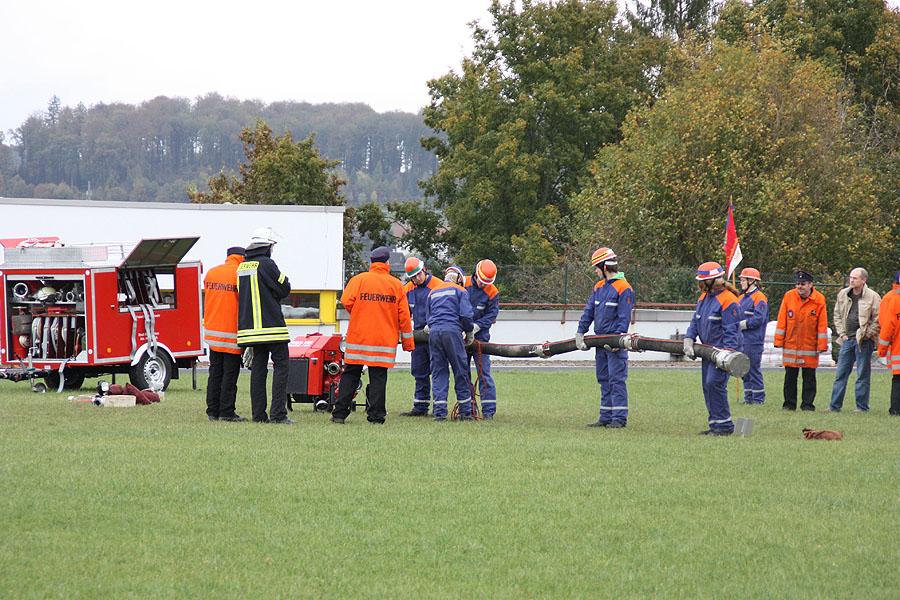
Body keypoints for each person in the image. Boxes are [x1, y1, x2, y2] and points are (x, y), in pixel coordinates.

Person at [331, 246, 415, 424]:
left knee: (350, 375)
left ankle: (339, 414)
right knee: (378, 377)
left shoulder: (358, 280)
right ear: (387, 263)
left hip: (358, 338)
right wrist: (408, 344)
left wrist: (361, 312)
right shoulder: (396, 285)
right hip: (383, 341)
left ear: (371, 262)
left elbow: (346, 301)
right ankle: (376, 416)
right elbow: (404, 317)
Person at [237, 227, 293, 424]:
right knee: (281, 367)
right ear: (267, 246)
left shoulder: (242, 267)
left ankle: (258, 416)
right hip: (271, 328)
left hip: (250, 330)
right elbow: (284, 287)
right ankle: (278, 414)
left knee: (258, 371)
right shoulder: (268, 264)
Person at [575, 247, 634, 428]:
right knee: (603, 378)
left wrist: (616, 341)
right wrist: (580, 332)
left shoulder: (624, 288)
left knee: (616, 379)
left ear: (604, 267)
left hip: (614, 345)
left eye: (596, 267)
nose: (595, 271)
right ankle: (605, 417)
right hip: (600, 342)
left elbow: (624, 318)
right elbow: (589, 311)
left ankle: (619, 418)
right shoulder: (598, 287)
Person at [683, 261, 741, 435]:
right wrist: (689, 338)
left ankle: (724, 426)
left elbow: (732, 330)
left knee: (714, 384)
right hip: (707, 351)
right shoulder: (704, 297)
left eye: (702, 280)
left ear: (712, 280)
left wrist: (728, 355)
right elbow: (696, 320)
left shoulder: (729, 300)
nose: (699, 284)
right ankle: (715, 424)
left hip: (722, 353)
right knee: (707, 386)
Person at [773, 270, 828, 411]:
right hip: (791, 345)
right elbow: (782, 320)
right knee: (790, 378)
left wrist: (822, 345)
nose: (799, 287)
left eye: (803, 284)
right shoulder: (789, 296)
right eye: (797, 284)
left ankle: (807, 405)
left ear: (810, 284)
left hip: (810, 346)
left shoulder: (819, 299)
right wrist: (778, 340)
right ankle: (789, 405)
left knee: (809, 378)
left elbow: (822, 325)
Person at [828, 267, 881, 413]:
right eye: (850, 277)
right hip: (847, 340)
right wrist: (842, 334)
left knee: (862, 375)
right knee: (840, 374)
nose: (851, 280)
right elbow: (837, 315)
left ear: (863, 280)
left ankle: (862, 407)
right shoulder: (843, 294)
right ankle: (834, 406)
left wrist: (868, 334)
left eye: (855, 278)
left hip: (864, 341)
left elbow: (878, 318)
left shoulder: (873, 296)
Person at [203, 246, 247, 422]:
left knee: (215, 373)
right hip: (232, 334)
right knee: (230, 374)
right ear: (242, 258)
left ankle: (212, 410)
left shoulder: (212, 273)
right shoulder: (241, 274)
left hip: (213, 333)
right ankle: (226, 412)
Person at [427, 265, 475, 421]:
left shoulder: (433, 291)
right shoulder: (461, 291)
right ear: (459, 278)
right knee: (460, 370)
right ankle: (465, 412)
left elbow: (429, 317)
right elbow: (466, 316)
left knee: (439, 372)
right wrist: (469, 332)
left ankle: (439, 413)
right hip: (452, 332)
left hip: (434, 334)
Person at [400, 257, 443, 417]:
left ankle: (439, 407)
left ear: (424, 270)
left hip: (435, 334)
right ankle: (420, 406)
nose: (417, 279)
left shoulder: (438, 286)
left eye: (418, 274)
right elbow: (403, 313)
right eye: (413, 277)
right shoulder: (407, 290)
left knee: (437, 371)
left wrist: (433, 324)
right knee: (419, 371)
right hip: (418, 336)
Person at [465, 259, 500, 419]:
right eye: (481, 281)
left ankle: (488, 411)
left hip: (481, 340)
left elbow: (492, 315)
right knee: (463, 375)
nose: (483, 285)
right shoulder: (463, 284)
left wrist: (476, 326)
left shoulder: (492, 292)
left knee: (484, 374)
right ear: (475, 274)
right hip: (462, 339)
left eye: (487, 283)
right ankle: (468, 409)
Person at [736, 267, 769, 405]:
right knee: (744, 370)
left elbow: (758, 319)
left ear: (752, 281)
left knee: (753, 369)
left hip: (754, 340)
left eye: (743, 280)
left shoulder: (760, 298)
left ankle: (758, 399)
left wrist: (741, 324)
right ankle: (748, 398)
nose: (741, 282)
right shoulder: (741, 298)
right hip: (742, 340)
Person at [877, 270, 900, 416]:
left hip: (897, 348)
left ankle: (896, 409)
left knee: (898, 379)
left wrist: (882, 350)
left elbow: (886, 326)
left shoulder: (891, 299)